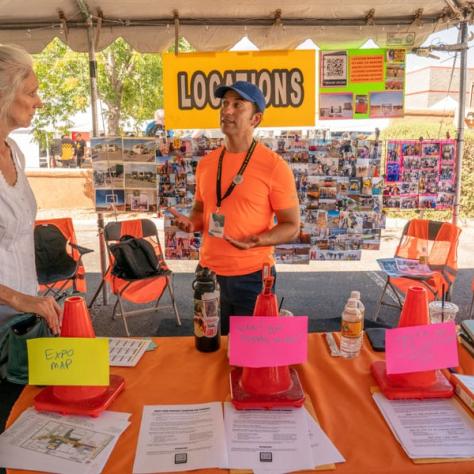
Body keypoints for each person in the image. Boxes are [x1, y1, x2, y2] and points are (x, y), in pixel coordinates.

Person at [171, 81, 300, 334]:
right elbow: (200, 210)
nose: (227, 111)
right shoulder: (207, 164)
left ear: (256, 119)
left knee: (250, 354)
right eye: (224, 104)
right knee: (209, 345)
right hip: (208, 273)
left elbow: (292, 226)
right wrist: (191, 223)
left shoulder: (274, 166)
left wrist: (259, 240)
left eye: (238, 105)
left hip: (252, 277)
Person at [0, 44, 62, 339]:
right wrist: (17, 298)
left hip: (23, 321)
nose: (39, 103)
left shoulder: (15, 152)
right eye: (31, 92)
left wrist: (28, 300)